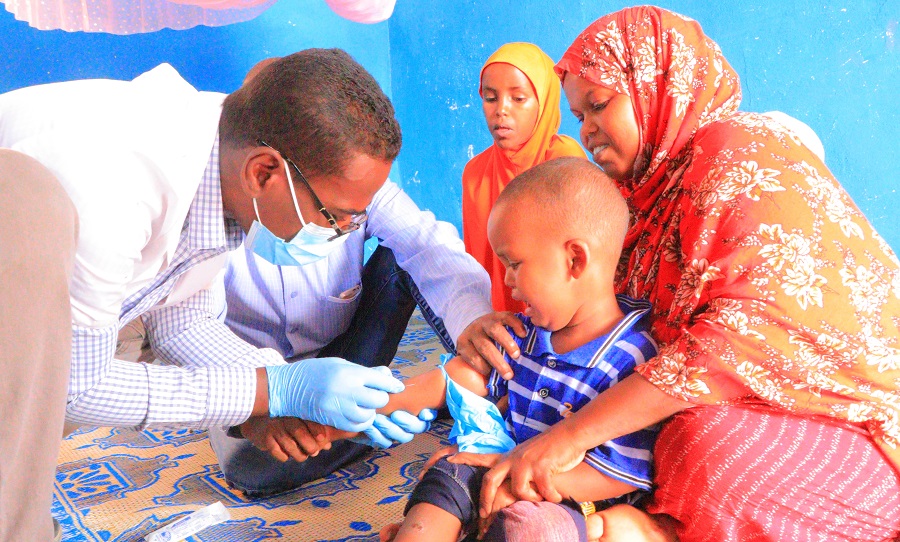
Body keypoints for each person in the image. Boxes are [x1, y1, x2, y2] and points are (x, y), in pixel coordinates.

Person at [468, 6, 900, 541]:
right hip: (725, 411)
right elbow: (596, 318)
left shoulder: (741, 154)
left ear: (658, 85)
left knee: (704, 450)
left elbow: (740, 338)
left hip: (854, 427)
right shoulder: (640, 199)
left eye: (599, 104)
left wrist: (571, 436)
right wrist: (497, 334)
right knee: (632, 426)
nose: (588, 131)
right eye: (580, 115)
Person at [0, 49, 440, 541]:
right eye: (333, 216)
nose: (340, 234)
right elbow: (75, 386)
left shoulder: (217, 165)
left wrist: (271, 395)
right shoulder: (117, 185)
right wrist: (274, 391)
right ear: (264, 173)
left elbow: (183, 321)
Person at [208, 53, 506, 495]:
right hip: (260, 385)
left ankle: (471, 387)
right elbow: (189, 341)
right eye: (336, 215)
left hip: (347, 356)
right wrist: (259, 408)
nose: (345, 225)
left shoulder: (349, 182)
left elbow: (427, 244)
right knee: (257, 472)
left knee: (402, 259)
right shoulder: (212, 216)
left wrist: (473, 324)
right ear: (262, 164)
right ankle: (397, 409)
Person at [318, 157, 659, 541]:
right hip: (500, 466)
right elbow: (464, 377)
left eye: (514, 264)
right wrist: (359, 413)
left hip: (567, 497)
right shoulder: (526, 332)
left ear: (574, 260)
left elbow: (613, 473)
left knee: (532, 528)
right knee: (449, 470)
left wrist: (513, 479)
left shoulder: (635, 357)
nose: (507, 281)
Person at [462, 42, 586, 313]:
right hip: (495, 324)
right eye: (490, 98)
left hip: (559, 321)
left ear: (543, 102)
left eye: (518, 99)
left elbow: (577, 267)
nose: (501, 110)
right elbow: (476, 268)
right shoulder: (475, 174)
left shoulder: (563, 161)